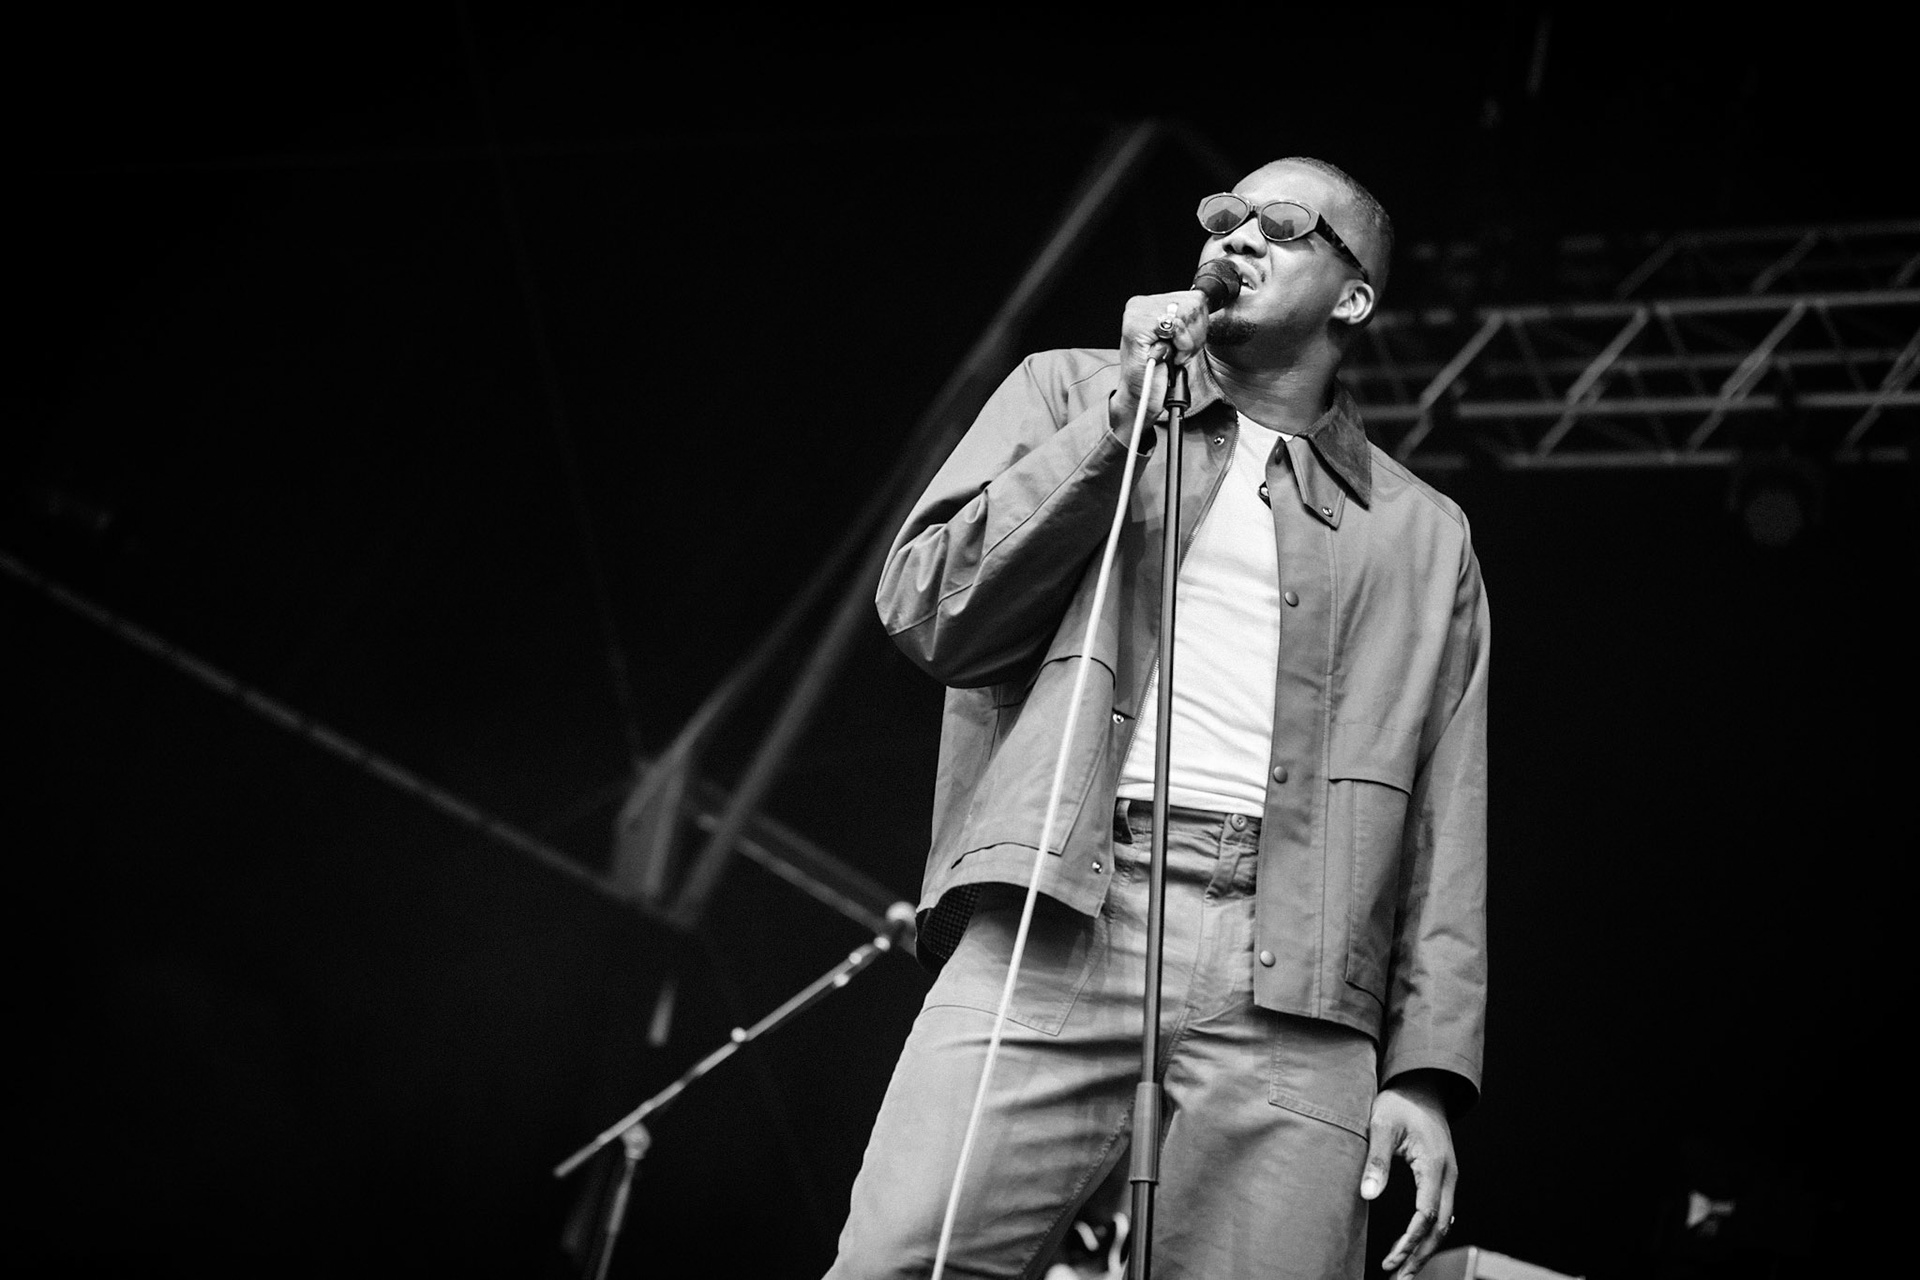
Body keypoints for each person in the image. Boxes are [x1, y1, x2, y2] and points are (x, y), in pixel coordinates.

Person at [830, 156, 1490, 1280]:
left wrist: (1424, 1069)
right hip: (1067, 907)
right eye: (1222, 215)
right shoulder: (1069, 393)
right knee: (902, 1260)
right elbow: (928, 608)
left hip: (1298, 971)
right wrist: (1122, 412)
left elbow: (1447, 814)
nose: (1236, 235)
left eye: (1281, 225)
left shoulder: (1424, 535)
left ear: (1354, 297)